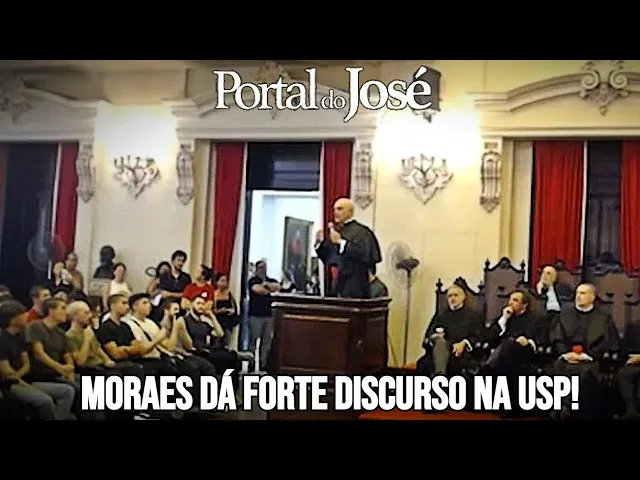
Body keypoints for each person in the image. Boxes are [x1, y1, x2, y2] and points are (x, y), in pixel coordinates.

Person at [550, 283, 619, 420]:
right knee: (560, 368)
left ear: (592, 297)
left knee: (583, 372)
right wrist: (566, 353)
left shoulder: (604, 317)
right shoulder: (564, 315)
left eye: (582, 293)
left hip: (591, 360)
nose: (578, 296)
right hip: (567, 357)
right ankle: (566, 407)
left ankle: (566, 407)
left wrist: (589, 355)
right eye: (577, 293)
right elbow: (557, 338)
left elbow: (608, 342)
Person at [0, 300, 76, 420]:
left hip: (25, 380)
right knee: (45, 400)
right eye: (22, 313)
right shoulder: (2, 339)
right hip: (10, 385)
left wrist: (20, 378)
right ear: (13, 320)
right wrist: (21, 381)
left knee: (67, 391)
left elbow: (26, 364)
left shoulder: (20, 336)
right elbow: (7, 373)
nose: (27, 315)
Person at [315, 197, 382, 298]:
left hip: (356, 288)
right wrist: (319, 243)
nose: (335, 212)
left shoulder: (362, 232)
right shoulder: (337, 231)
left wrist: (341, 242)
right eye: (334, 209)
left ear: (350, 211)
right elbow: (328, 257)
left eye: (340, 209)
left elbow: (363, 255)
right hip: (337, 287)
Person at [416, 285, 482, 378]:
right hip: (440, 352)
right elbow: (427, 338)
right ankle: (440, 376)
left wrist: (464, 343)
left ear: (463, 297)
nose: (452, 298)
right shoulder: (440, 315)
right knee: (438, 345)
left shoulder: (473, 316)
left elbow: (478, 336)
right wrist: (434, 338)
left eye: (456, 295)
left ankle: (439, 379)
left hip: (461, 353)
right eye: (450, 296)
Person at [617, 320, 640, 420]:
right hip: (634, 363)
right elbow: (625, 349)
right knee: (624, 373)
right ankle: (630, 411)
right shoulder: (633, 327)